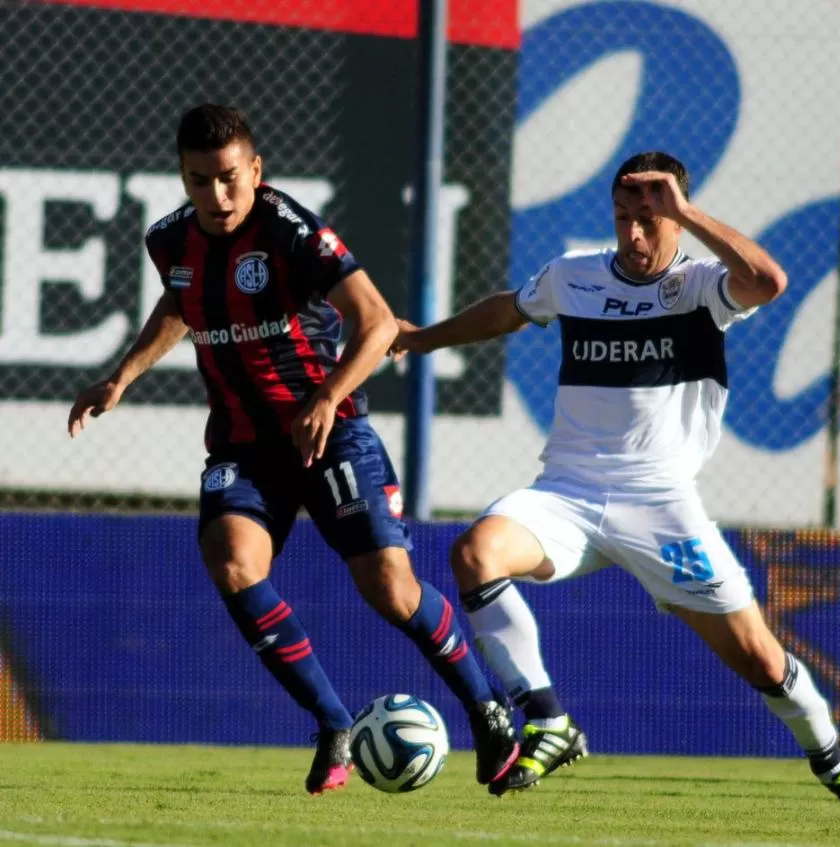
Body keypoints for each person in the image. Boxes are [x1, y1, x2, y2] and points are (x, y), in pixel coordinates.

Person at [391, 151, 840, 808]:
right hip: (566, 494)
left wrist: (684, 210)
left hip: (662, 508)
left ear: (678, 221)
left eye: (650, 220)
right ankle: (548, 719)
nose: (634, 234)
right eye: (623, 217)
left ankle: (833, 759)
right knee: (474, 553)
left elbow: (768, 281)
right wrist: (421, 339)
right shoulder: (574, 276)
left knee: (760, 660)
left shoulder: (699, 288)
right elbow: (509, 311)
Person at [67, 103, 517, 794]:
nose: (216, 196)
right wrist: (121, 376)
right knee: (232, 561)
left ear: (255, 169)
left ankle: (486, 708)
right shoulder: (169, 241)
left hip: (329, 431)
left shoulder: (289, 229)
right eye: (198, 181)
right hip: (245, 445)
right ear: (182, 179)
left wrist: (327, 397)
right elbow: (181, 304)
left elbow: (374, 323)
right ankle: (333, 720)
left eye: (227, 178)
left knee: (389, 588)